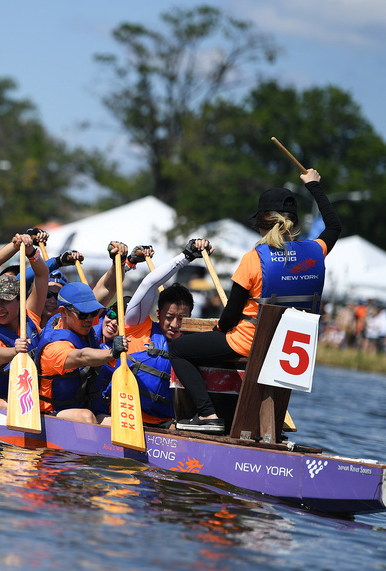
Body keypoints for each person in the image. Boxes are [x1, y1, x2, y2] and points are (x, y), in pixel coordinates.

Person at [169, 168, 341, 433]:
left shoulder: (254, 258)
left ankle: (208, 416)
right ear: (292, 223)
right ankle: (267, 431)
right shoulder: (316, 251)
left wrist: (217, 329)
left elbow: (230, 317)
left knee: (179, 349)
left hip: (249, 343)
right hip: (289, 349)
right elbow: (335, 225)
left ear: (260, 224)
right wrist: (314, 186)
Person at [116, 240, 212, 427]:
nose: (175, 325)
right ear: (158, 314)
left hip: (167, 423)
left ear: (191, 316)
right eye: (169, 317)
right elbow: (148, 285)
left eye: (182, 318)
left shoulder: (193, 345)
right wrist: (187, 256)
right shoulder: (137, 325)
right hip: (127, 420)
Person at [35, 282, 127, 423]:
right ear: (63, 312)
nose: (90, 319)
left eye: (93, 313)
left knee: (120, 422)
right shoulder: (54, 348)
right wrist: (112, 352)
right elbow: (81, 356)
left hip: (82, 408)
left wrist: (120, 264)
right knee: (87, 417)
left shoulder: (77, 322)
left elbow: (107, 287)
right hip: (50, 414)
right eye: (84, 314)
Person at [0, 234, 47, 408]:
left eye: (5, 301)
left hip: (22, 399)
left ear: (20, 301)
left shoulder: (31, 316)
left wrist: (32, 253)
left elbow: (43, 276)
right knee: (14, 405)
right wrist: (15, 350)